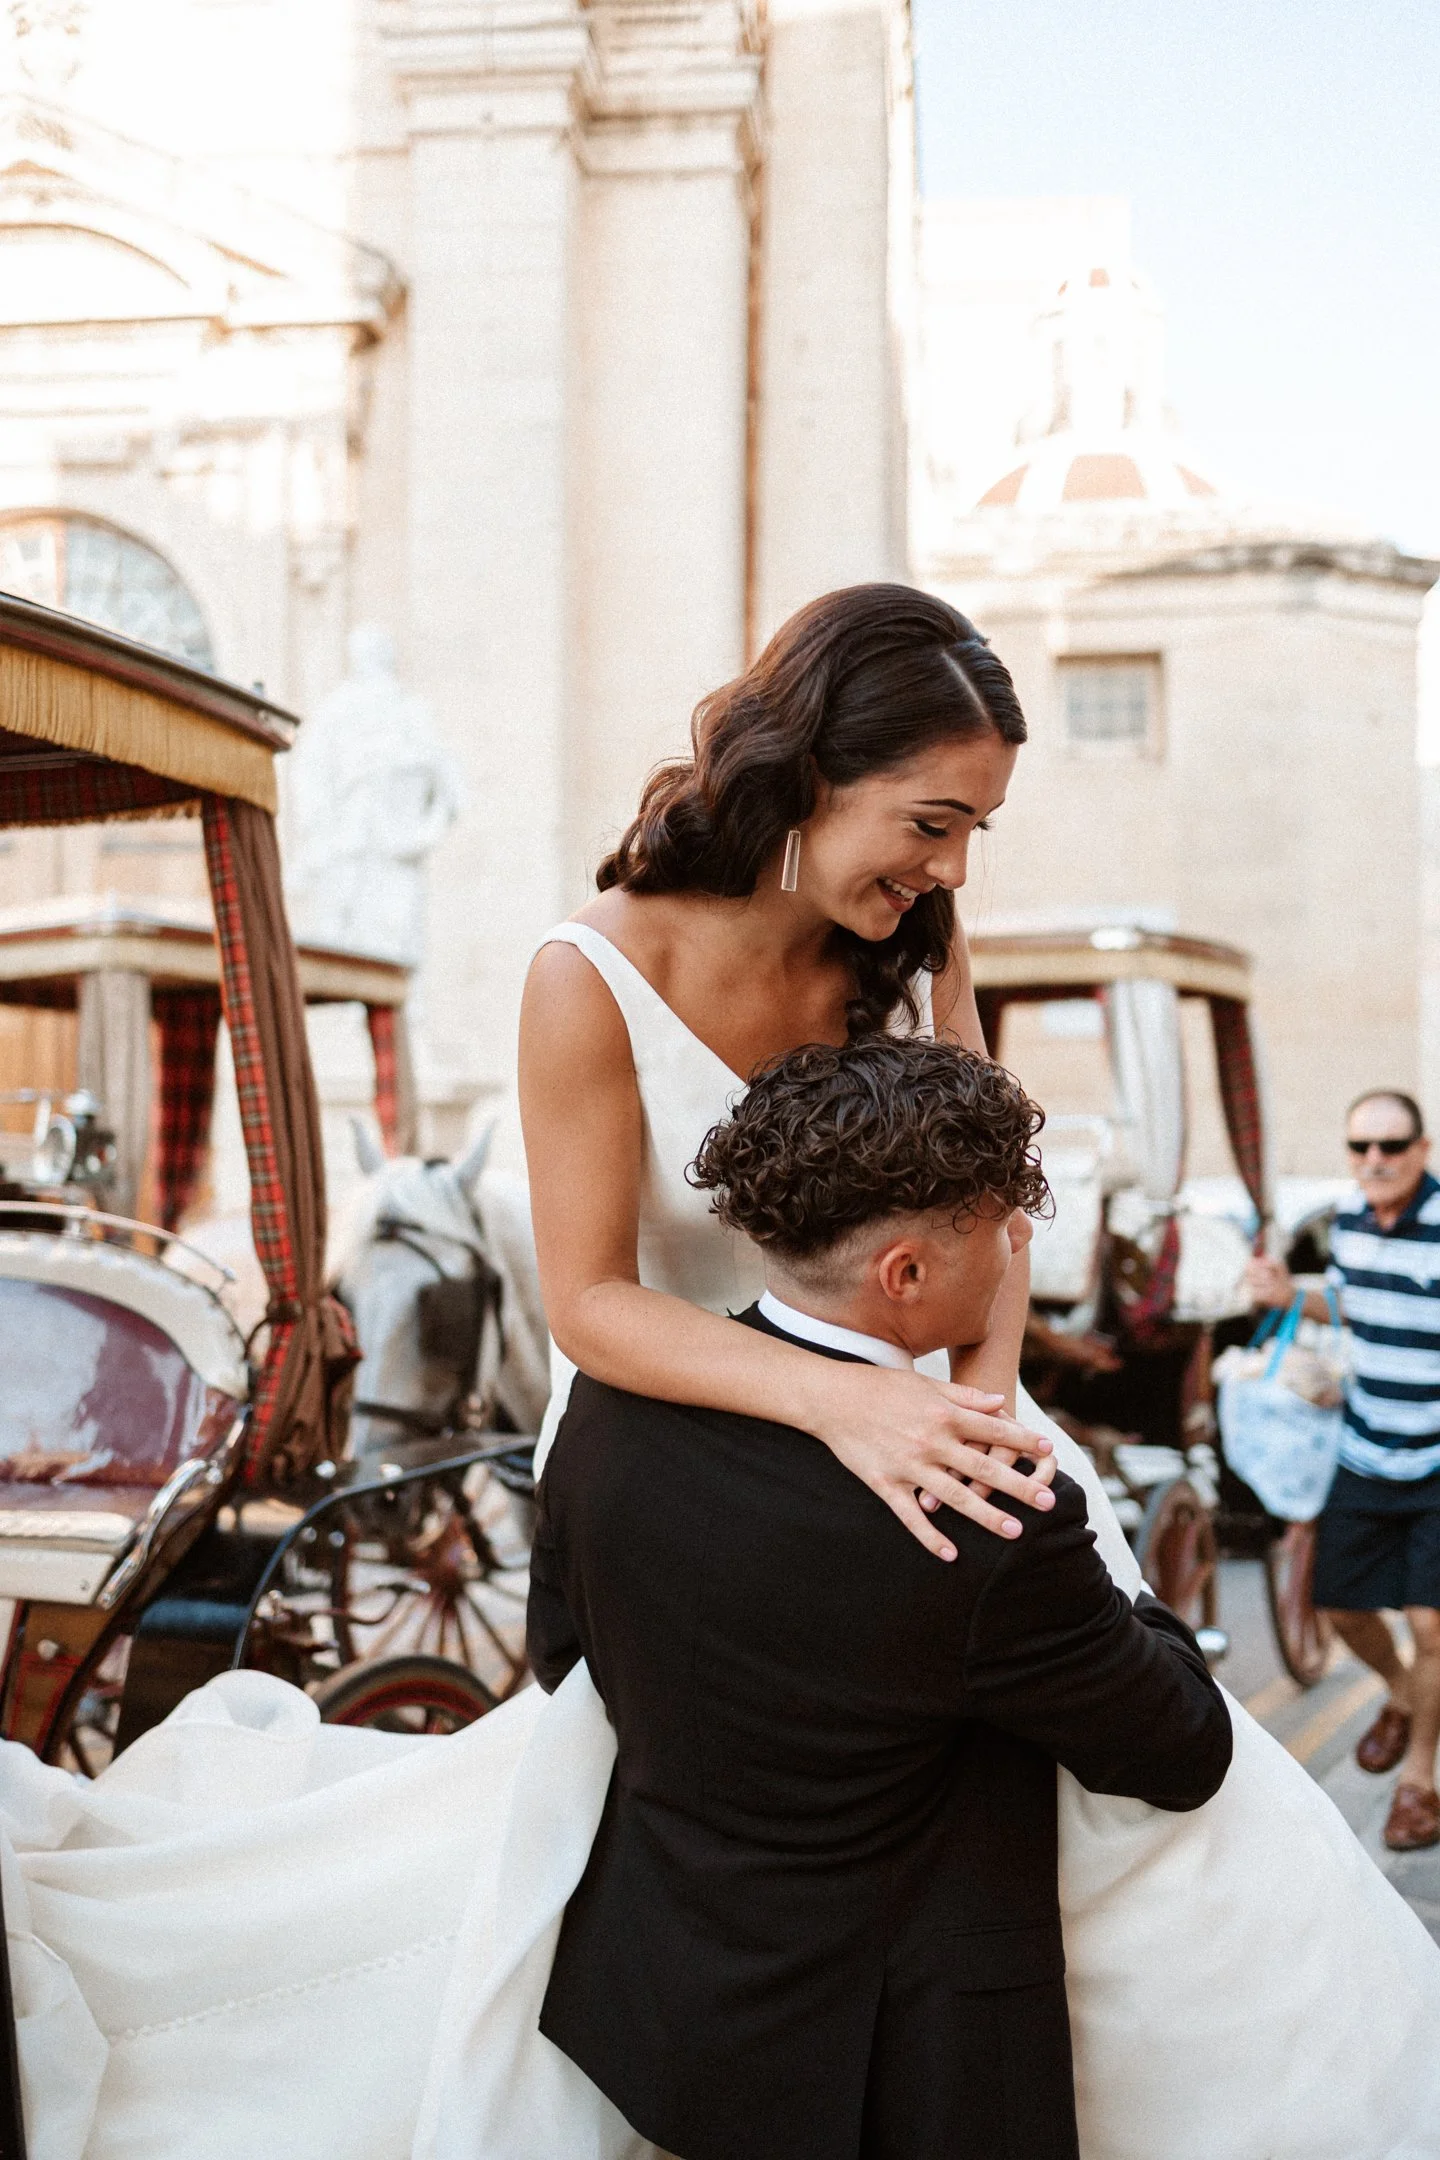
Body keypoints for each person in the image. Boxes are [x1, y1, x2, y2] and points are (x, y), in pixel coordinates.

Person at [528, 1037, 1232, 2160]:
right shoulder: (982, 1516)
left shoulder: (605, 1418)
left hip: (672, 2007)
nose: (1015, 1259)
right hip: (897, 2066)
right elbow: (1184, 1748)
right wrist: (1096, 1545)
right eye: (1001, 1231)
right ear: (903, 1274)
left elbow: (566, 1659)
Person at [1248, 1087, 1440, 1852]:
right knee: (1340, 1609)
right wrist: (1289, 1293)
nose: (1375, 1161)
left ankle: (1418, 1781)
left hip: (1436, 1458)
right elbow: (1352, 1302)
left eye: (1391, 1147)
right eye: (1361, 1147)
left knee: (1432, 1629)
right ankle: (1400, 1694)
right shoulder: (1351, 1222)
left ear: (1422, 1151)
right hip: (1363, 1449)